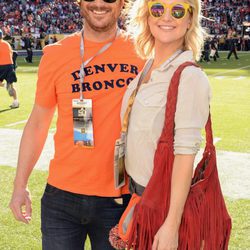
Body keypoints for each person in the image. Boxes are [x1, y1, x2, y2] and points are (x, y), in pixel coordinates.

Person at [9, 0, 144, 249]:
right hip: (61, 197)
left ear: (122, 3)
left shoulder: (143, 52)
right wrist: (20, 185)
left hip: (120, 197)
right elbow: (38, 123)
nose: (100, 4)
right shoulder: (56, 53)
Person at [120, 0, 211, 249]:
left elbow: (184, 155)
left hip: (163, 208)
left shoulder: (189, 76)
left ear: (190, 19)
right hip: (139, 199)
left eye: (178, 10)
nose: (166, 17)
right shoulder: (148, 67)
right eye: (158, 9)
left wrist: (171, 225)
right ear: (147, 16)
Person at [0, 29, 19, 109]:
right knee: (11, 85)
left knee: (9, 85)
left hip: (1, 66)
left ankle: (5, 86)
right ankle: (16, 102)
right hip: (9, 66)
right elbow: (11, 53)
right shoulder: (6, 43)